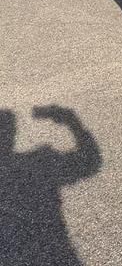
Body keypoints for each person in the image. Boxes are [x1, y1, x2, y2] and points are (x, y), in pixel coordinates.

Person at [0, 106, 101, 265]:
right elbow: (90, 162)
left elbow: (90, 163)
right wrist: (71, 120)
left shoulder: (31, 161)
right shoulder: (37, 161)